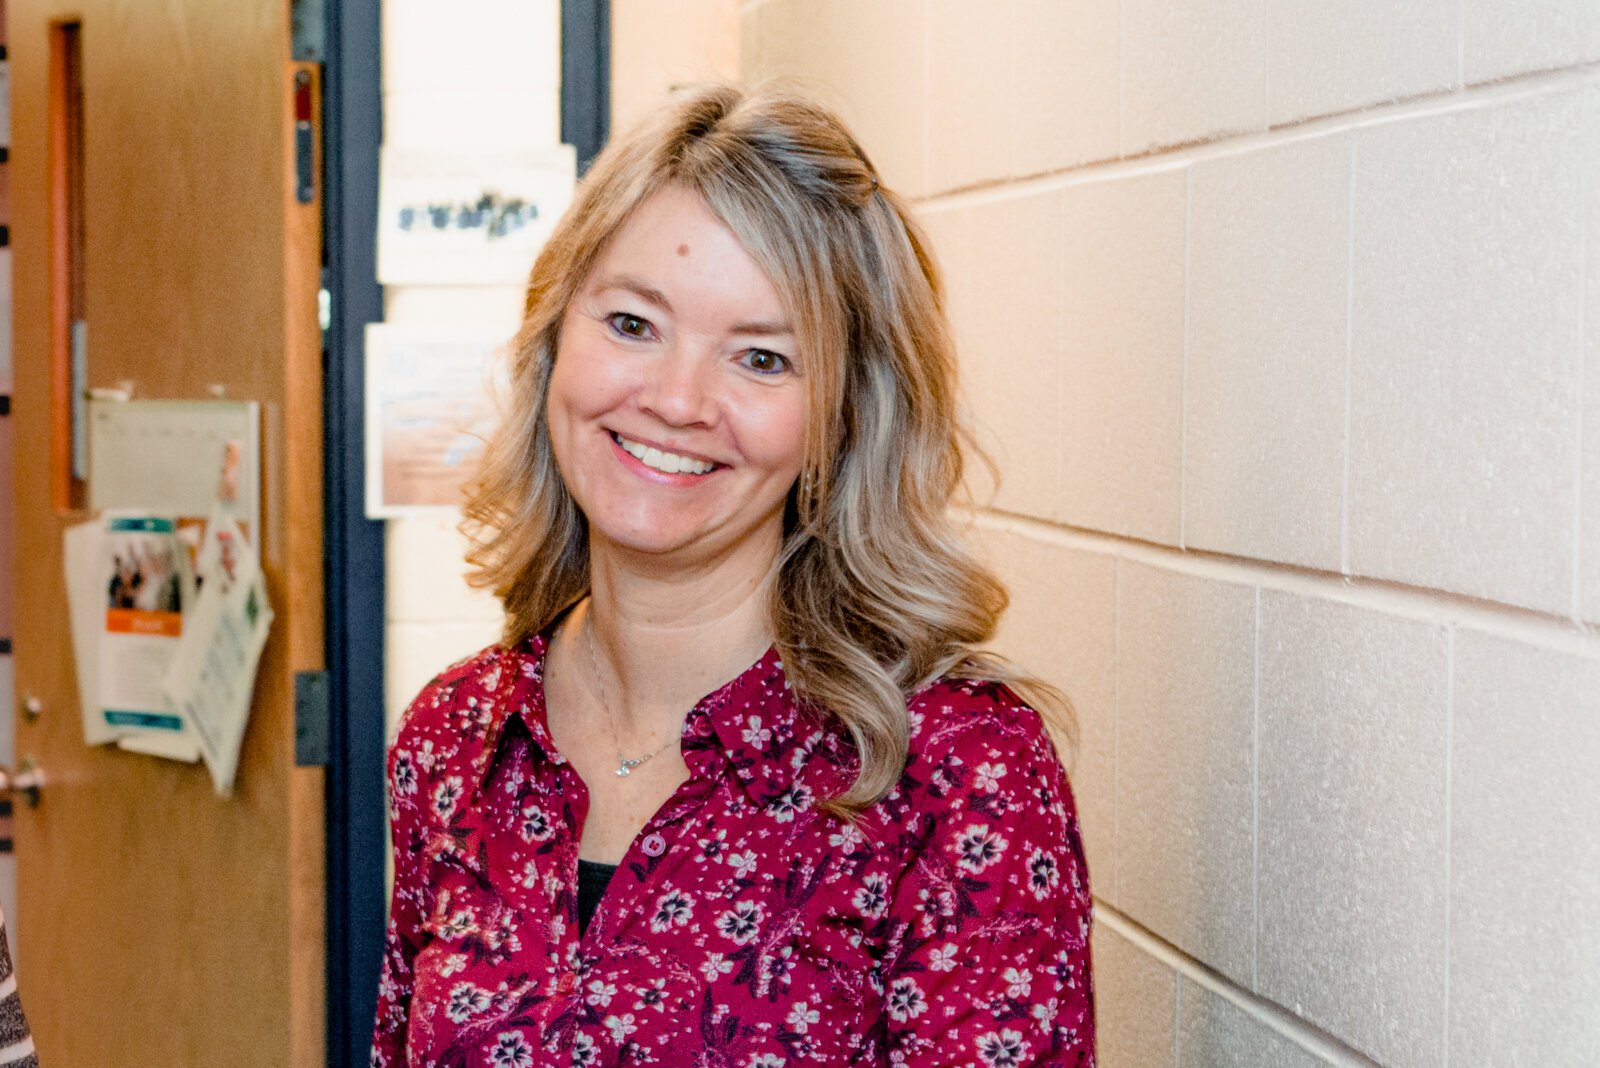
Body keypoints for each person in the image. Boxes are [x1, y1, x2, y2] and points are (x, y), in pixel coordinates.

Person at [371, 82, 1095, 1066]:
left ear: (844, 417)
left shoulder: (954, 774)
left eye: (759, 358)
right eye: (633, 324)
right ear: (553, 341)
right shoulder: (455, 741)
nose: (675, 398)